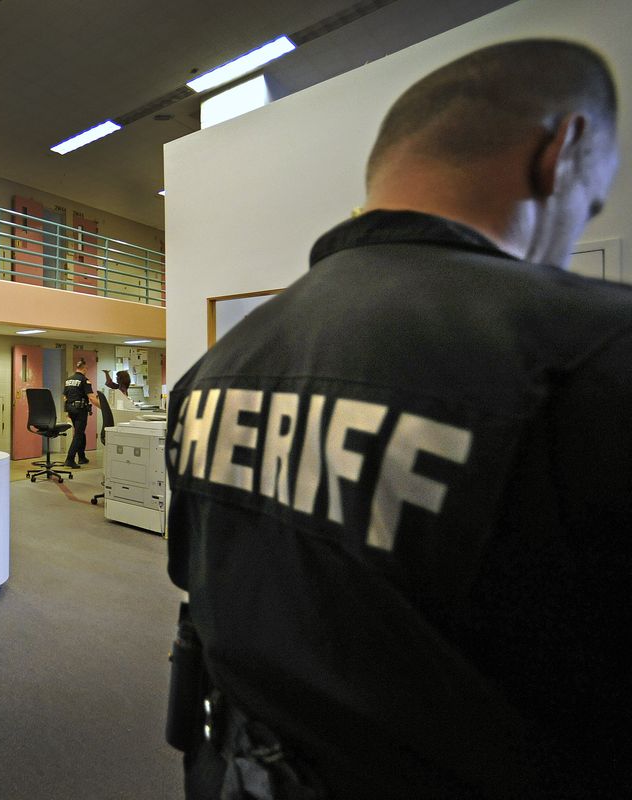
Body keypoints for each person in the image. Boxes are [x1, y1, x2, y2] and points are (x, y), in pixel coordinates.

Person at [165, 39, 629, 800]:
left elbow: (197, 577)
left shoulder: (216, 368)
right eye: (593, 198)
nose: (579, 224)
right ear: (563, 150)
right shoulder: (596, 353)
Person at [63, 357, 99, 468]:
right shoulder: (84, 380)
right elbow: (92, 398)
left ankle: (82, 457)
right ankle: (70, 458)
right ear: (84, 368)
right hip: (80, 410)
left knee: (80, 432)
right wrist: (103, 408)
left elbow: (64, 397)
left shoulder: (68, 380)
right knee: (78, 434)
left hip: (71, 410)